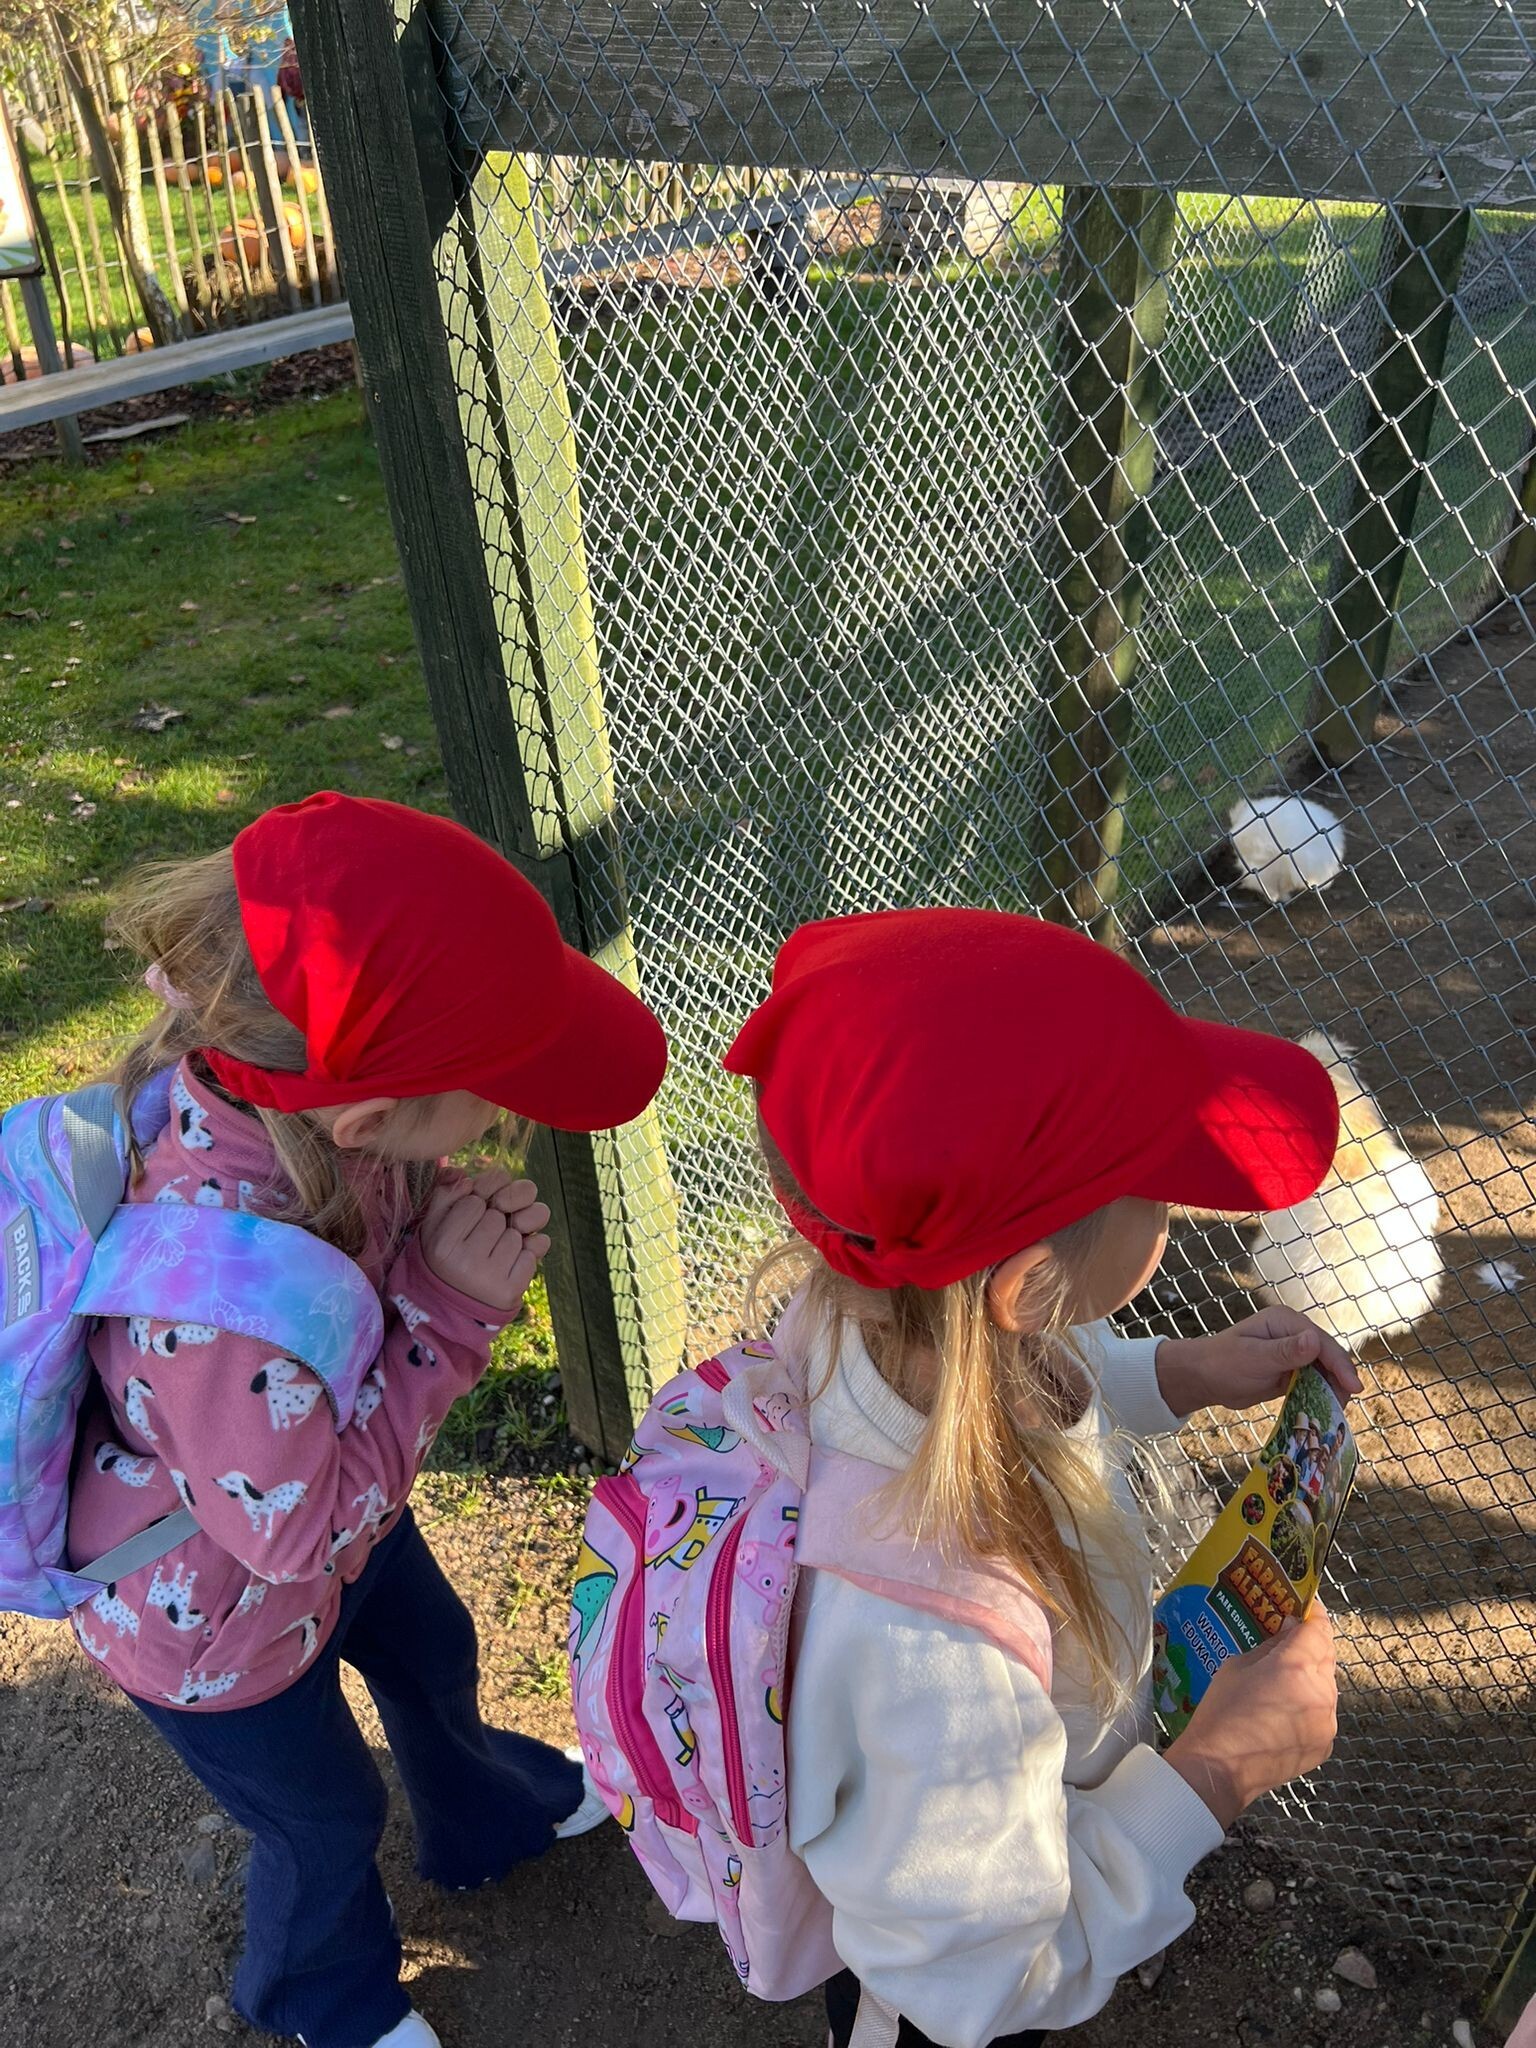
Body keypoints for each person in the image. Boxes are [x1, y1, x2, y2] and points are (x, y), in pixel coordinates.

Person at [65, 792, 666, 2048]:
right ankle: (319, 1996)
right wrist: (449, 1306)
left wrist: (426, 1221)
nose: (508, 1116)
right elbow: (290, 1536)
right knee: (324, 1815)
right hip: (216, 1618)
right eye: (495, 1091)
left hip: (337, 1515)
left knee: (433, 1648)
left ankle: (484, 1815)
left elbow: (328, 1452)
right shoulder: (217, 1310)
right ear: (369, 1123)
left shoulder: (309, 1108)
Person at [720, 908, 1361, 2048]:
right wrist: (1218, 1770)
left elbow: (1030, 1378)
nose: (1179, 1207)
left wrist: (1181, 1372)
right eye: (1160, 1184)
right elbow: (989, 1980)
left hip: (983, 1831)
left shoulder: (875, 1306)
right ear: (1024, 1286)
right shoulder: (929, 1648)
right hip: (941, 1986)